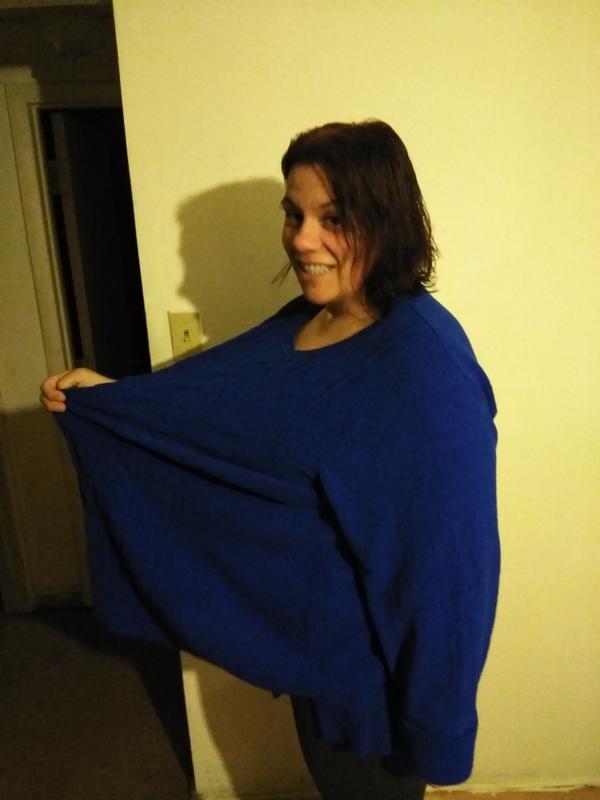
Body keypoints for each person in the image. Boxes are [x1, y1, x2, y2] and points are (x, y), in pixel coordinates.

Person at [41, 120, 499, 799]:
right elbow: (220, 405)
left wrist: (439, 728)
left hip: (367, 697)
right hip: (308, 658)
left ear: (388, 218)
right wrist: (113, 399)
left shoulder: (421, 375)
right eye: (294, 214)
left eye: (333, 218)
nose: (302, 239)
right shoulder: (309, 317)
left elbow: (449, 580)